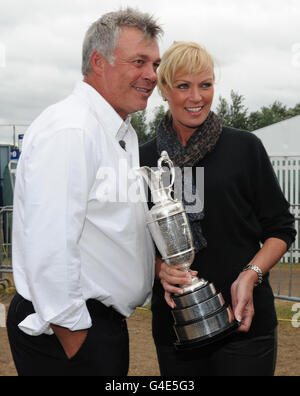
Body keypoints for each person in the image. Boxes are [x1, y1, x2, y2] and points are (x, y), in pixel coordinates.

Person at [6, 8, 162, 376]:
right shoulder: (72, 130)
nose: (152, 75)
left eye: (155, 63)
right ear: (98, 61)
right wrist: (75, 335)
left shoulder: (116, 133)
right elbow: (50, 245)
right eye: (139, 61)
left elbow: (105, 230)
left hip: (92, 326)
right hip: (71, 332)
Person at [139, 41, 296, 376]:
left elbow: (281, 228)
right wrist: (157, 268)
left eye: (205, 85)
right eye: (183, 86)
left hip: (244, 324)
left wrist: (250, 275)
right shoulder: (144, 161)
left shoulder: (245, 147)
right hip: (176, 330)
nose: (196, 97)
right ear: (164, 90)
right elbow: (130, 237)